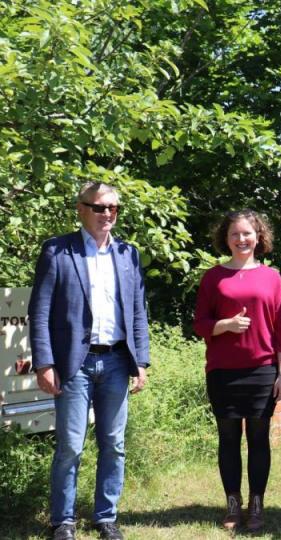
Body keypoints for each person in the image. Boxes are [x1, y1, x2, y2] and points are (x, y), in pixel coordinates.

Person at [28, 182, 150, 540]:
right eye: (99, 207)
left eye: (113, 208)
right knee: (70, 445)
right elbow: (40, 312)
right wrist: (44, 363)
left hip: (115, 361)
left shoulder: (128, 254)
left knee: (114, 443)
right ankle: (62, 521)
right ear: (80, 209)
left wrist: (140, 360)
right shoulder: (57, 251)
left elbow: (137, 312)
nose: (107, 214)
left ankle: (105, 517)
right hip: (72, 365)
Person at [193, 209, 281, 532]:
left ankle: (257, 504)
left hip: (263, 371)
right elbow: (200, 324)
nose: (241, 239)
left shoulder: (272, 277)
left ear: (259, 237)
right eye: (234, 234)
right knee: (228, 438)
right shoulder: (212, 277)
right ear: (226, 238)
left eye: (247, 233)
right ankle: (233, 505)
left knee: (259, 439)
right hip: (223, 372)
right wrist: (226, 325)